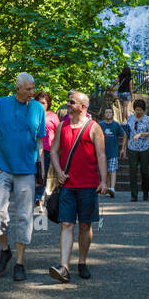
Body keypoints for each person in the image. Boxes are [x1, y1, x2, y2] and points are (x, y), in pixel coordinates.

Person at [0, 72, 47, 282]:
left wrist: (41, 167)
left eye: (33, 88)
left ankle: (20, 262)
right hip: (3, 167)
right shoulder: (2, 104)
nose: (33, 92)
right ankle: (5, 250)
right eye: (29, 89)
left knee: (24, 215)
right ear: (18, 88)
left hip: (27, 170)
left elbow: (40, 142)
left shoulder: (38, 108)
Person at [49, 90, 108, 283]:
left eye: (72, 102)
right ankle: (64, 267)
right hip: (67, 185)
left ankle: (82, 262)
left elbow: (101, 155)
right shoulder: (62, 126)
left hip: (88, 185)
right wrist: (58, 171)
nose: (68, 104)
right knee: (66, 224)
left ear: (83, 107)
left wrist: (104, 181)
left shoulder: (94, 127)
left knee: (85, 225)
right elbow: (54, 151)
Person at [123, 97, 149, 200]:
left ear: (143, 110)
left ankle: (145, 191)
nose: (138, 111)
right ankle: (134, 195)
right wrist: (123, 148)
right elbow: (126, 133)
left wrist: (141, 134)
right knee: (133, 171)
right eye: (136, 109)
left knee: (144, 171)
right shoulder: (130, 118)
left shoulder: (147, 119)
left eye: (140, 109)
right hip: (132, 148)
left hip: (144, 148)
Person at [34, 90, 60, 205]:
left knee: (41, 173)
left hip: (47, 149)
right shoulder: (32, 115)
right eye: (39, 102)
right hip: (31, 149)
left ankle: (39, 197)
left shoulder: (53, 117)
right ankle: (32, 195)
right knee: (31, 173)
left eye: (43, 103)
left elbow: (59, 133)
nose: (41, 105)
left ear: (48, 104)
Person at [100, 104, 121, 193]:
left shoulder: (116, 125)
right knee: (105, 171)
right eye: (106, 112)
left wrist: (123, 148)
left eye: (110, 112)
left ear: (112, 114)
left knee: (112, 170)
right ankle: (106, 188)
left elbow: (124, 135)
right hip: (103, 152)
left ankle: (112, 188)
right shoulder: (100, 124)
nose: (108, 114)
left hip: (113, 152)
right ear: (104, 114)